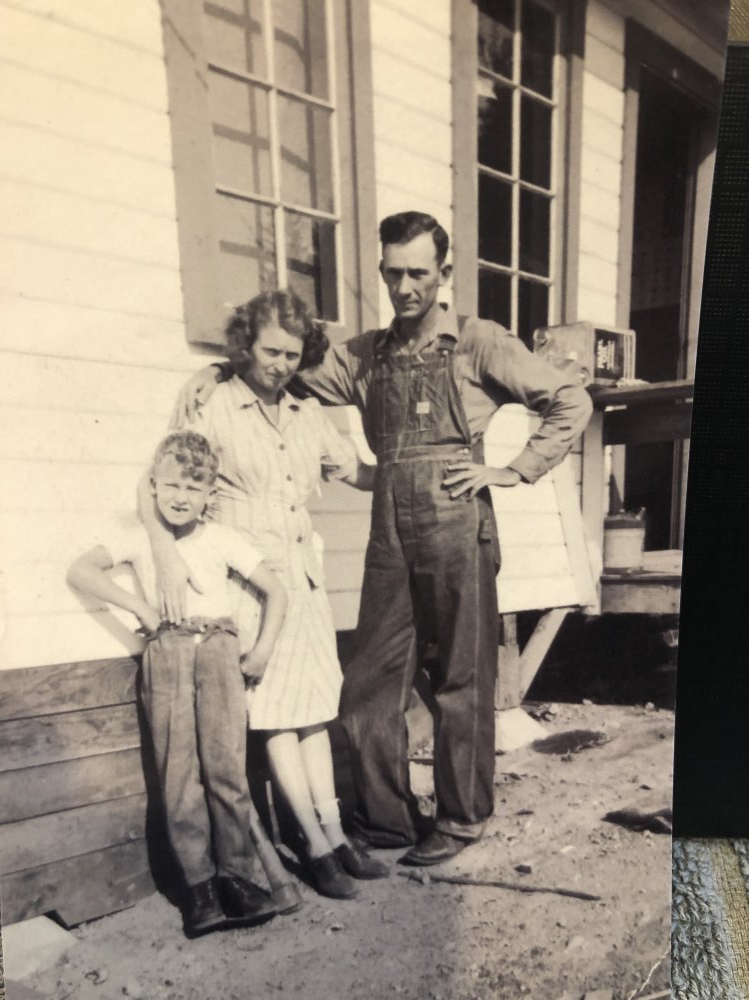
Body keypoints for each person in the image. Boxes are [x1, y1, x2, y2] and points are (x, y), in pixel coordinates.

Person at [171, 212, 594, 867]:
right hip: (389, 527)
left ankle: (460, 817)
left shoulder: (479, 342)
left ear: (443, 274)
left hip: (457, 520)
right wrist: (222, 373)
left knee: (461, 678)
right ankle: (386, 820)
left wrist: (510, 471)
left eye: (417, 273)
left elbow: (569, 399)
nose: (404, 287)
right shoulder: (365, 355)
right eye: (392, 273)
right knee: (368, 681)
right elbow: (282, 371)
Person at [145, 290, 388, 899]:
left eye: (291, 352)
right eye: (270, 350)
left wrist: (414, 467)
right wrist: (166, 556)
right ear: (244, 348)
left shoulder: (308, 411)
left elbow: (357, 471)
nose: (281, 363)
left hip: (301, 578)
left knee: (312, 711)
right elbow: (157, 485)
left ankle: (335, 835)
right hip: (248, 582)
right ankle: (311, 842)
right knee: (278, 714)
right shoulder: (214, 404)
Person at [67, 430, 284, 937]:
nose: (181, 497)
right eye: (171, 486)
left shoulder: (223, 539)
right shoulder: (140, 539)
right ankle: (200, 889)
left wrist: (264, 649)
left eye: (194, 487)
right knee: (179, 773)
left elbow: (276, 592)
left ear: (211, 494)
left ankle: (237, 877)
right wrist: (140, 609)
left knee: (227, 769)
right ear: (154, 486)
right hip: (166, 651)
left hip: (220, 653)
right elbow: (81, 570)